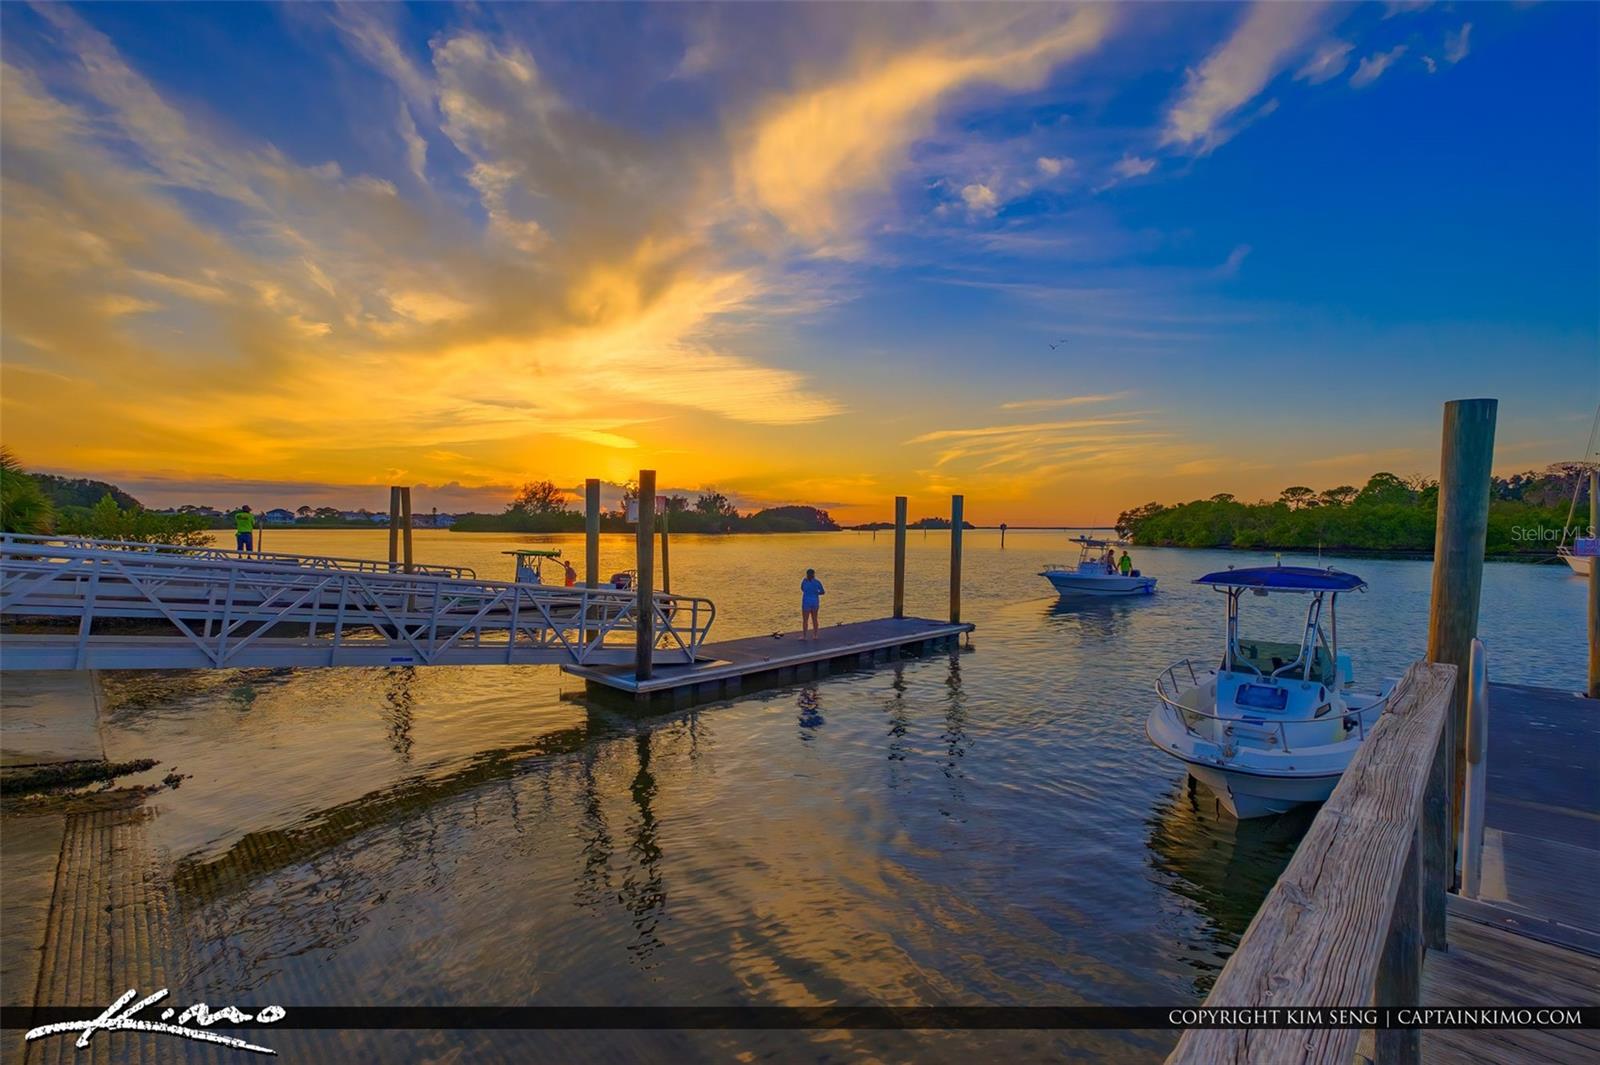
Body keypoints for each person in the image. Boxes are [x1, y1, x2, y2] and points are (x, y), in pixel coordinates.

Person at [800, 568, 825, 640]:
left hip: (809, 602)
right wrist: (816, 593)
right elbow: (822, 592)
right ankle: (814, 635)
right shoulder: (816, 582)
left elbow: (802, 588)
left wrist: (815, 593)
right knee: (812, 619)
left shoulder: (806, 581)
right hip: (812, 601)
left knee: (807, 619)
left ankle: (806, 636)